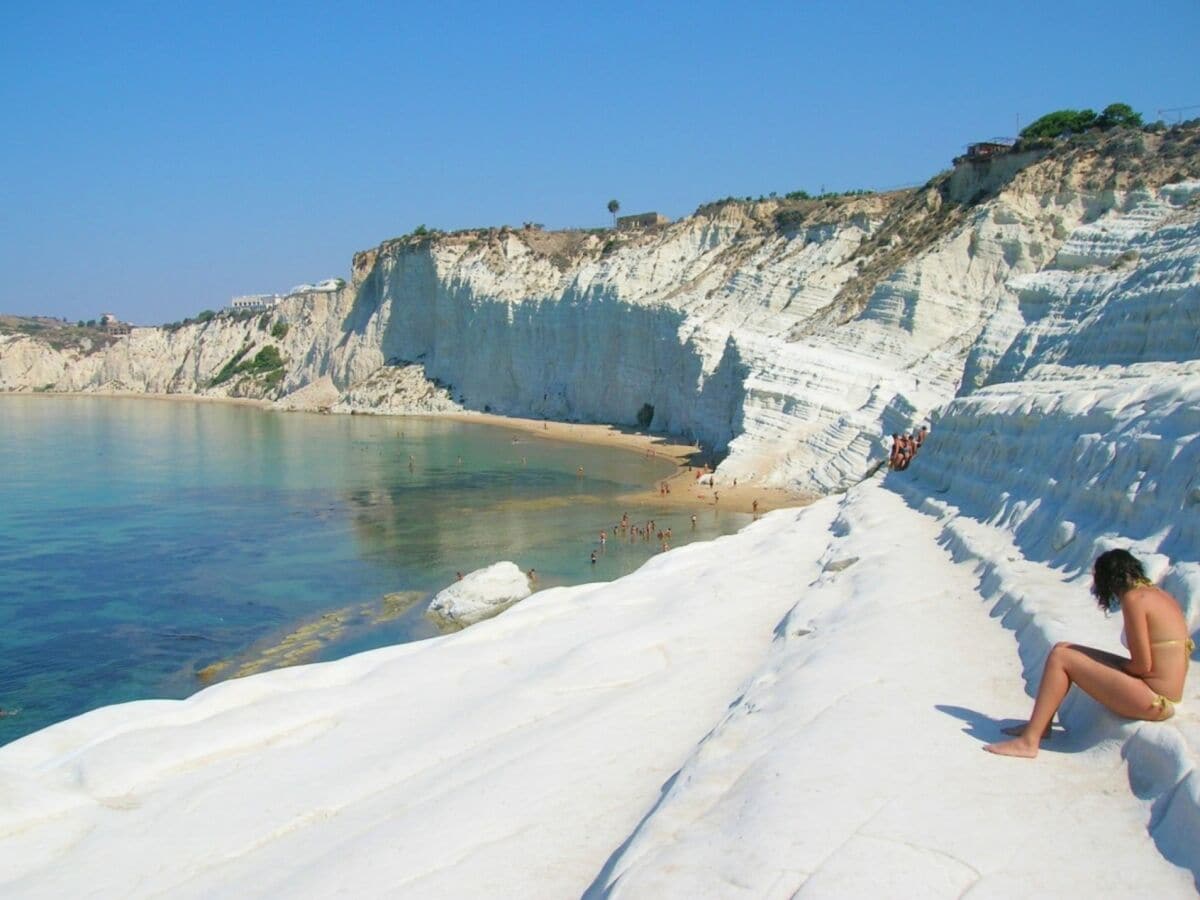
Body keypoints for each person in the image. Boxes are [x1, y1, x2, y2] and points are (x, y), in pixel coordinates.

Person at [985, 549, 1193, 759]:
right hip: (1159, 692)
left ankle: (1029, 743)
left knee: (1062, 658)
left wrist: (1107, 670)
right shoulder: (1156, 594)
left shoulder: (1134, 599)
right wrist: (1105, 668)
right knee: (1063, 648)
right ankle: (1041, 725)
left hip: (1155, 700)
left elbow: (1142, 666)